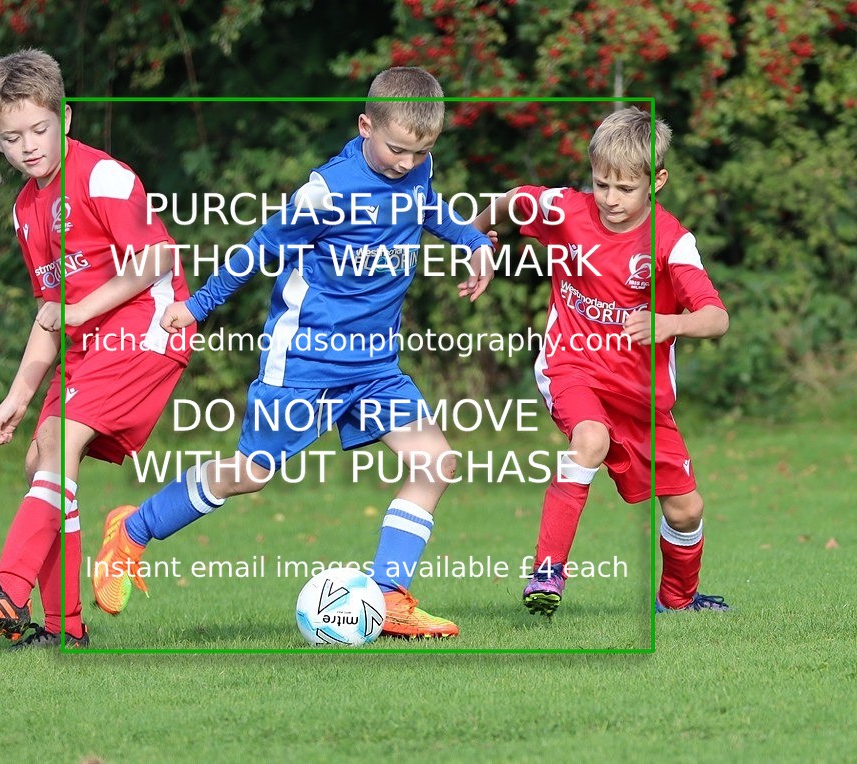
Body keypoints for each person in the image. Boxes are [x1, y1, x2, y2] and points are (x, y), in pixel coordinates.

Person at [92, 66, 494, 639]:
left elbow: (427, 207)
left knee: (436, 462)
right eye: (398, 149)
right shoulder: (325, 192)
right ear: (365, 126)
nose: (408, 163)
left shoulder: (417, 167)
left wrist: (474, 242)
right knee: (251, 474)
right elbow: (259, 249)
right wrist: (198, 306)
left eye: (421, 150)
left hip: (374, 365)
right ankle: (133, 529)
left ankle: (388, 598)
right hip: (305, 359)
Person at [0, 48, 193, 647]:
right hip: (90, 342)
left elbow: (157, 258)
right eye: (13, 136)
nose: (29, 146)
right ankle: (63, 629)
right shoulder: (26, 208)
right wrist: (17, 396)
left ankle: (8, 590)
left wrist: (82, 310)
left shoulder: (102, 176)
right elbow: (51, 313)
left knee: (62, 440)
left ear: (65, 118)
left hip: (147, 327)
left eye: (40, 129)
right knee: (41, 455)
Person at [473, 106, 730, 616]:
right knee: (590, 440)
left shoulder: (672, 241)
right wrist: (475, 239)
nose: (610, 199)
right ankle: (547, 574)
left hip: (639, 394)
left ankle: (677, 602)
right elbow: (514, 201)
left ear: (656, 180)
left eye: (624, 188)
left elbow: (716, 317)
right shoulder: (566, 211)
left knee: (686, 509)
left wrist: (670, 324)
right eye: (601, 184)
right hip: (572, 365)